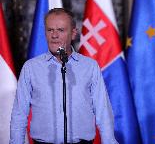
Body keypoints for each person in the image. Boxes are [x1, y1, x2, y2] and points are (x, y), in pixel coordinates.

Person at [10, 8, 118, 144]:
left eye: (61, 30)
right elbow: (19, 114)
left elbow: (103, 111)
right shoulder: (31, 68)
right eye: (50, 30)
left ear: (73, 34)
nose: (54, 35)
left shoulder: (89, 66)